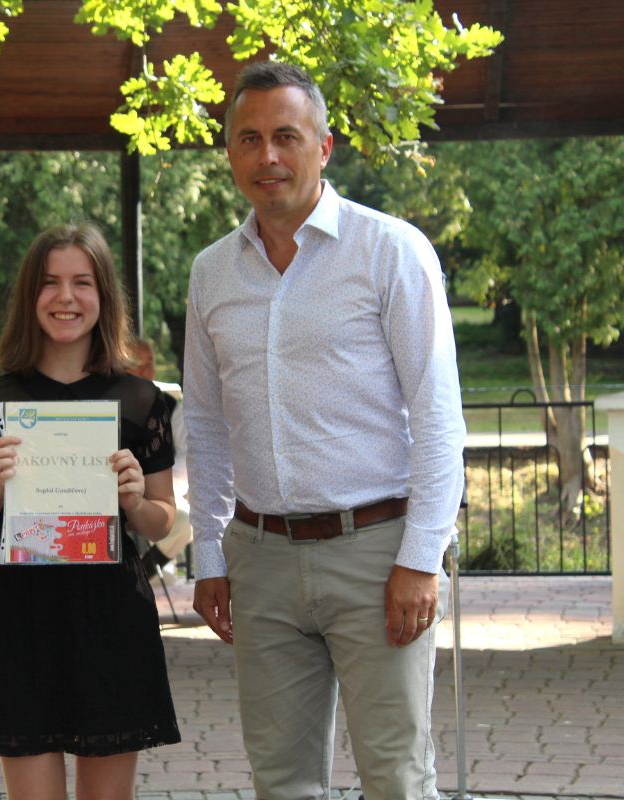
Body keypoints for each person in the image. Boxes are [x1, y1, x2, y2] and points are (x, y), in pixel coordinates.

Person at [184, 62, 466, 800]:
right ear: (230, 153)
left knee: (396, 777)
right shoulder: (211, 273)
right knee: (281, 782)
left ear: (325, 147)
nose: (268, 156)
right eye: (249, 139)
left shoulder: (390, 250)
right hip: (260, 560)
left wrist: (421, 559)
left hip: (376, 555)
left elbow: (439, 417)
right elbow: (206, 423)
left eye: (286, 136)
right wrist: (209, 554)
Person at [0, 222, 181, 799]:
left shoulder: (141, 402)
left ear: (104, 296)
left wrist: (134, 500)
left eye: (82, 282)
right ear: (31, 296)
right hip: (21, 618)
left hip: (110, 615)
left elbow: (163, 522)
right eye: (50, 282)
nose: (66, 297)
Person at [127, 338, 192, 579]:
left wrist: (157, 487)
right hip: (112, 497)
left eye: (150, 363)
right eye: (139, 364)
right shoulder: (107, 401)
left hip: (157, 494)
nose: (147, 371)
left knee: (185, 521)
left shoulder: (170, 406)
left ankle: (142, 574)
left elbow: (187, 458)